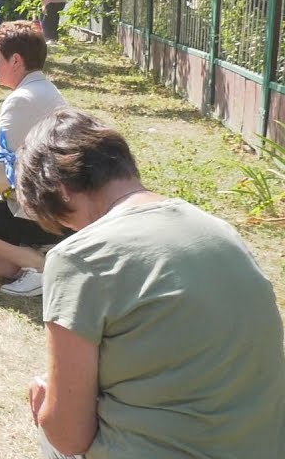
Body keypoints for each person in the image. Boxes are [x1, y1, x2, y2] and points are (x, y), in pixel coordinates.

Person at [19, 108, 285, 459]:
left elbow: (70, 436)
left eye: (64, 222)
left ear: (63, 190)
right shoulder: (221, 231)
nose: (72, 233)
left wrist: (47, 400)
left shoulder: (80, 258)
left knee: (51, 438)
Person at [0, 21, 69, 297]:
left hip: (47, 212)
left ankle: (42, 266)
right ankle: (43, 253)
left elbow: (3, 169)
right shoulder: (45, 90)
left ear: (16, 60)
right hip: (54, 205)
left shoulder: (23, 99)